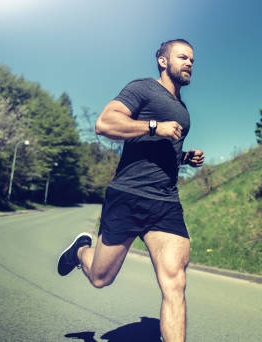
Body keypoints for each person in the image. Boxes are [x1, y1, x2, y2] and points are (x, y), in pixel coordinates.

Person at [57, 39, 204, 342]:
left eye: (192, 59)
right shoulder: (143, 88)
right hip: (128, 195)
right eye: (182, 57)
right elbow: (104, 123)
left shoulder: (183, 110)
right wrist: (154, 126)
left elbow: (164, 148)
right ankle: (81, 252)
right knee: (100, 278)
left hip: (165, 202)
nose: (189, 62)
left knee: (175, 283)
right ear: (163, 61)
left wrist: (184, 157)